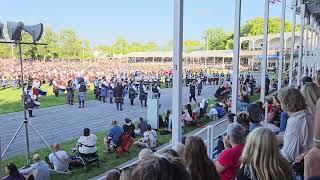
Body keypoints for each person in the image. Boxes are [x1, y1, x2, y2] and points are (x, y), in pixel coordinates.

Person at [277, 87, 314, 163]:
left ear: (285, 103)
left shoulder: (295, 120)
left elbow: (289, 155)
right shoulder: (307, 115)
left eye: (280, 101)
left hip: (300, 165)